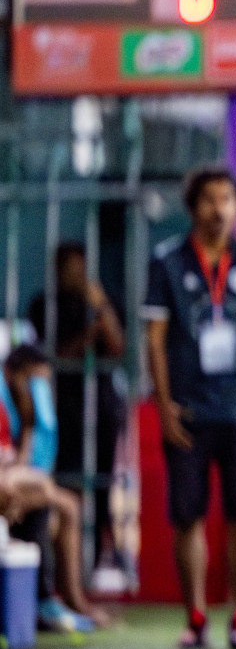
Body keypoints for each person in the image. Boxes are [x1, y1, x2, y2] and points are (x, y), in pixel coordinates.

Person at [143, 166, 236, 649]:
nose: (218, 208)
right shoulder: (165, 263)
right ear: (192, 207)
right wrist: (162, 405)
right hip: (187, 412)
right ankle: (196, 618)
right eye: (208, 199)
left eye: (226, 199)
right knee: (188, 517)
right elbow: (154, 340)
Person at [28, 242, 129, 569]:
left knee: (102, 481)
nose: (76, 275)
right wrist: (90, 334)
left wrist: (102, 311)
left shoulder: (104, 301)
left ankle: (103, 558)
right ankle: (63, 563)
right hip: (64, 406)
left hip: (101, 405)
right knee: (66, 479)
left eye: (80, 267)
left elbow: (117, 349)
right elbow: (55, 357)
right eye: (69, 268)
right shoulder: (44, 305)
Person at [1, 344, 99, 631]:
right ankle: (47, 601)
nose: (39, 387)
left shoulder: (20, 409)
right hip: (8, 486)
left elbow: (21, 464)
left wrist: (30, 424)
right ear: (13, 374)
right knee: (52, 497)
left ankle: (53, 601)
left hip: (12, 487)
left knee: (51, 502)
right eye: (33, 379)